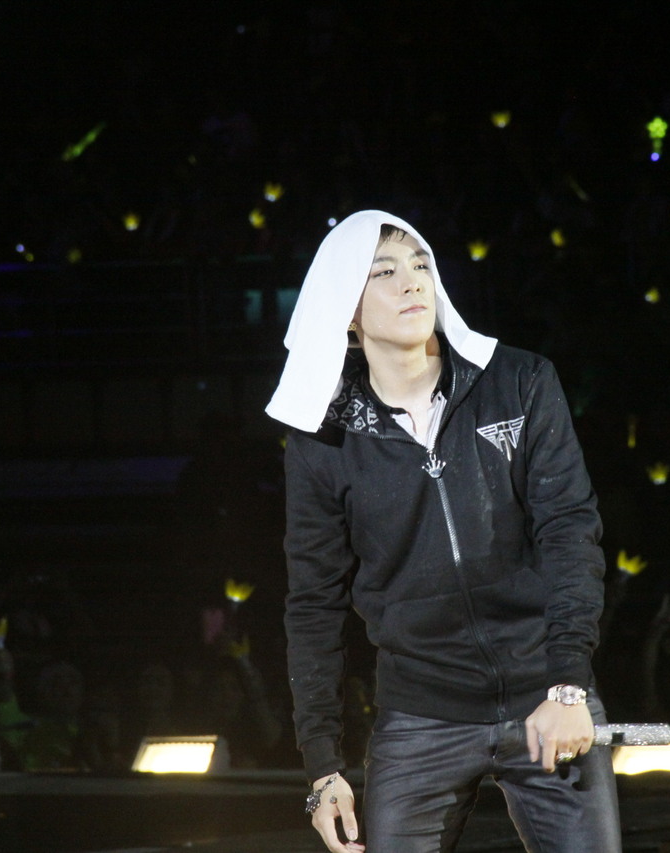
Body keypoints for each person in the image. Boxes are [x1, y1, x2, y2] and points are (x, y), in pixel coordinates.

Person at [265, 210, 621, 853]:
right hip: (421, 714)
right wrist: (322, 767)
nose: (412, 282)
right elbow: (313, 602)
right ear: (345, 310)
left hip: (548, 695)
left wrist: (568, 683)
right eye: (384, 272)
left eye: (421, 264)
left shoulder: (518, 382)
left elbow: (570, 532)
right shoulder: (322, 439)